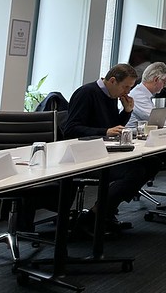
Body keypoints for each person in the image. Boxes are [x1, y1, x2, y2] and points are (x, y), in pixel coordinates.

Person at [63, 63, 155, 232]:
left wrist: (127, 111)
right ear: (112, 81)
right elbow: (71, 130)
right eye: (125, 87)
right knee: (135, 171)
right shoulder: (86, 93)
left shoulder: (111, 95)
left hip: (103, 151)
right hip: (84, 156)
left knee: (152, 163)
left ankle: (103, 212)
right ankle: (96, 216)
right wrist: (104, 131)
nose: (127, 91)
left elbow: (113, 127)